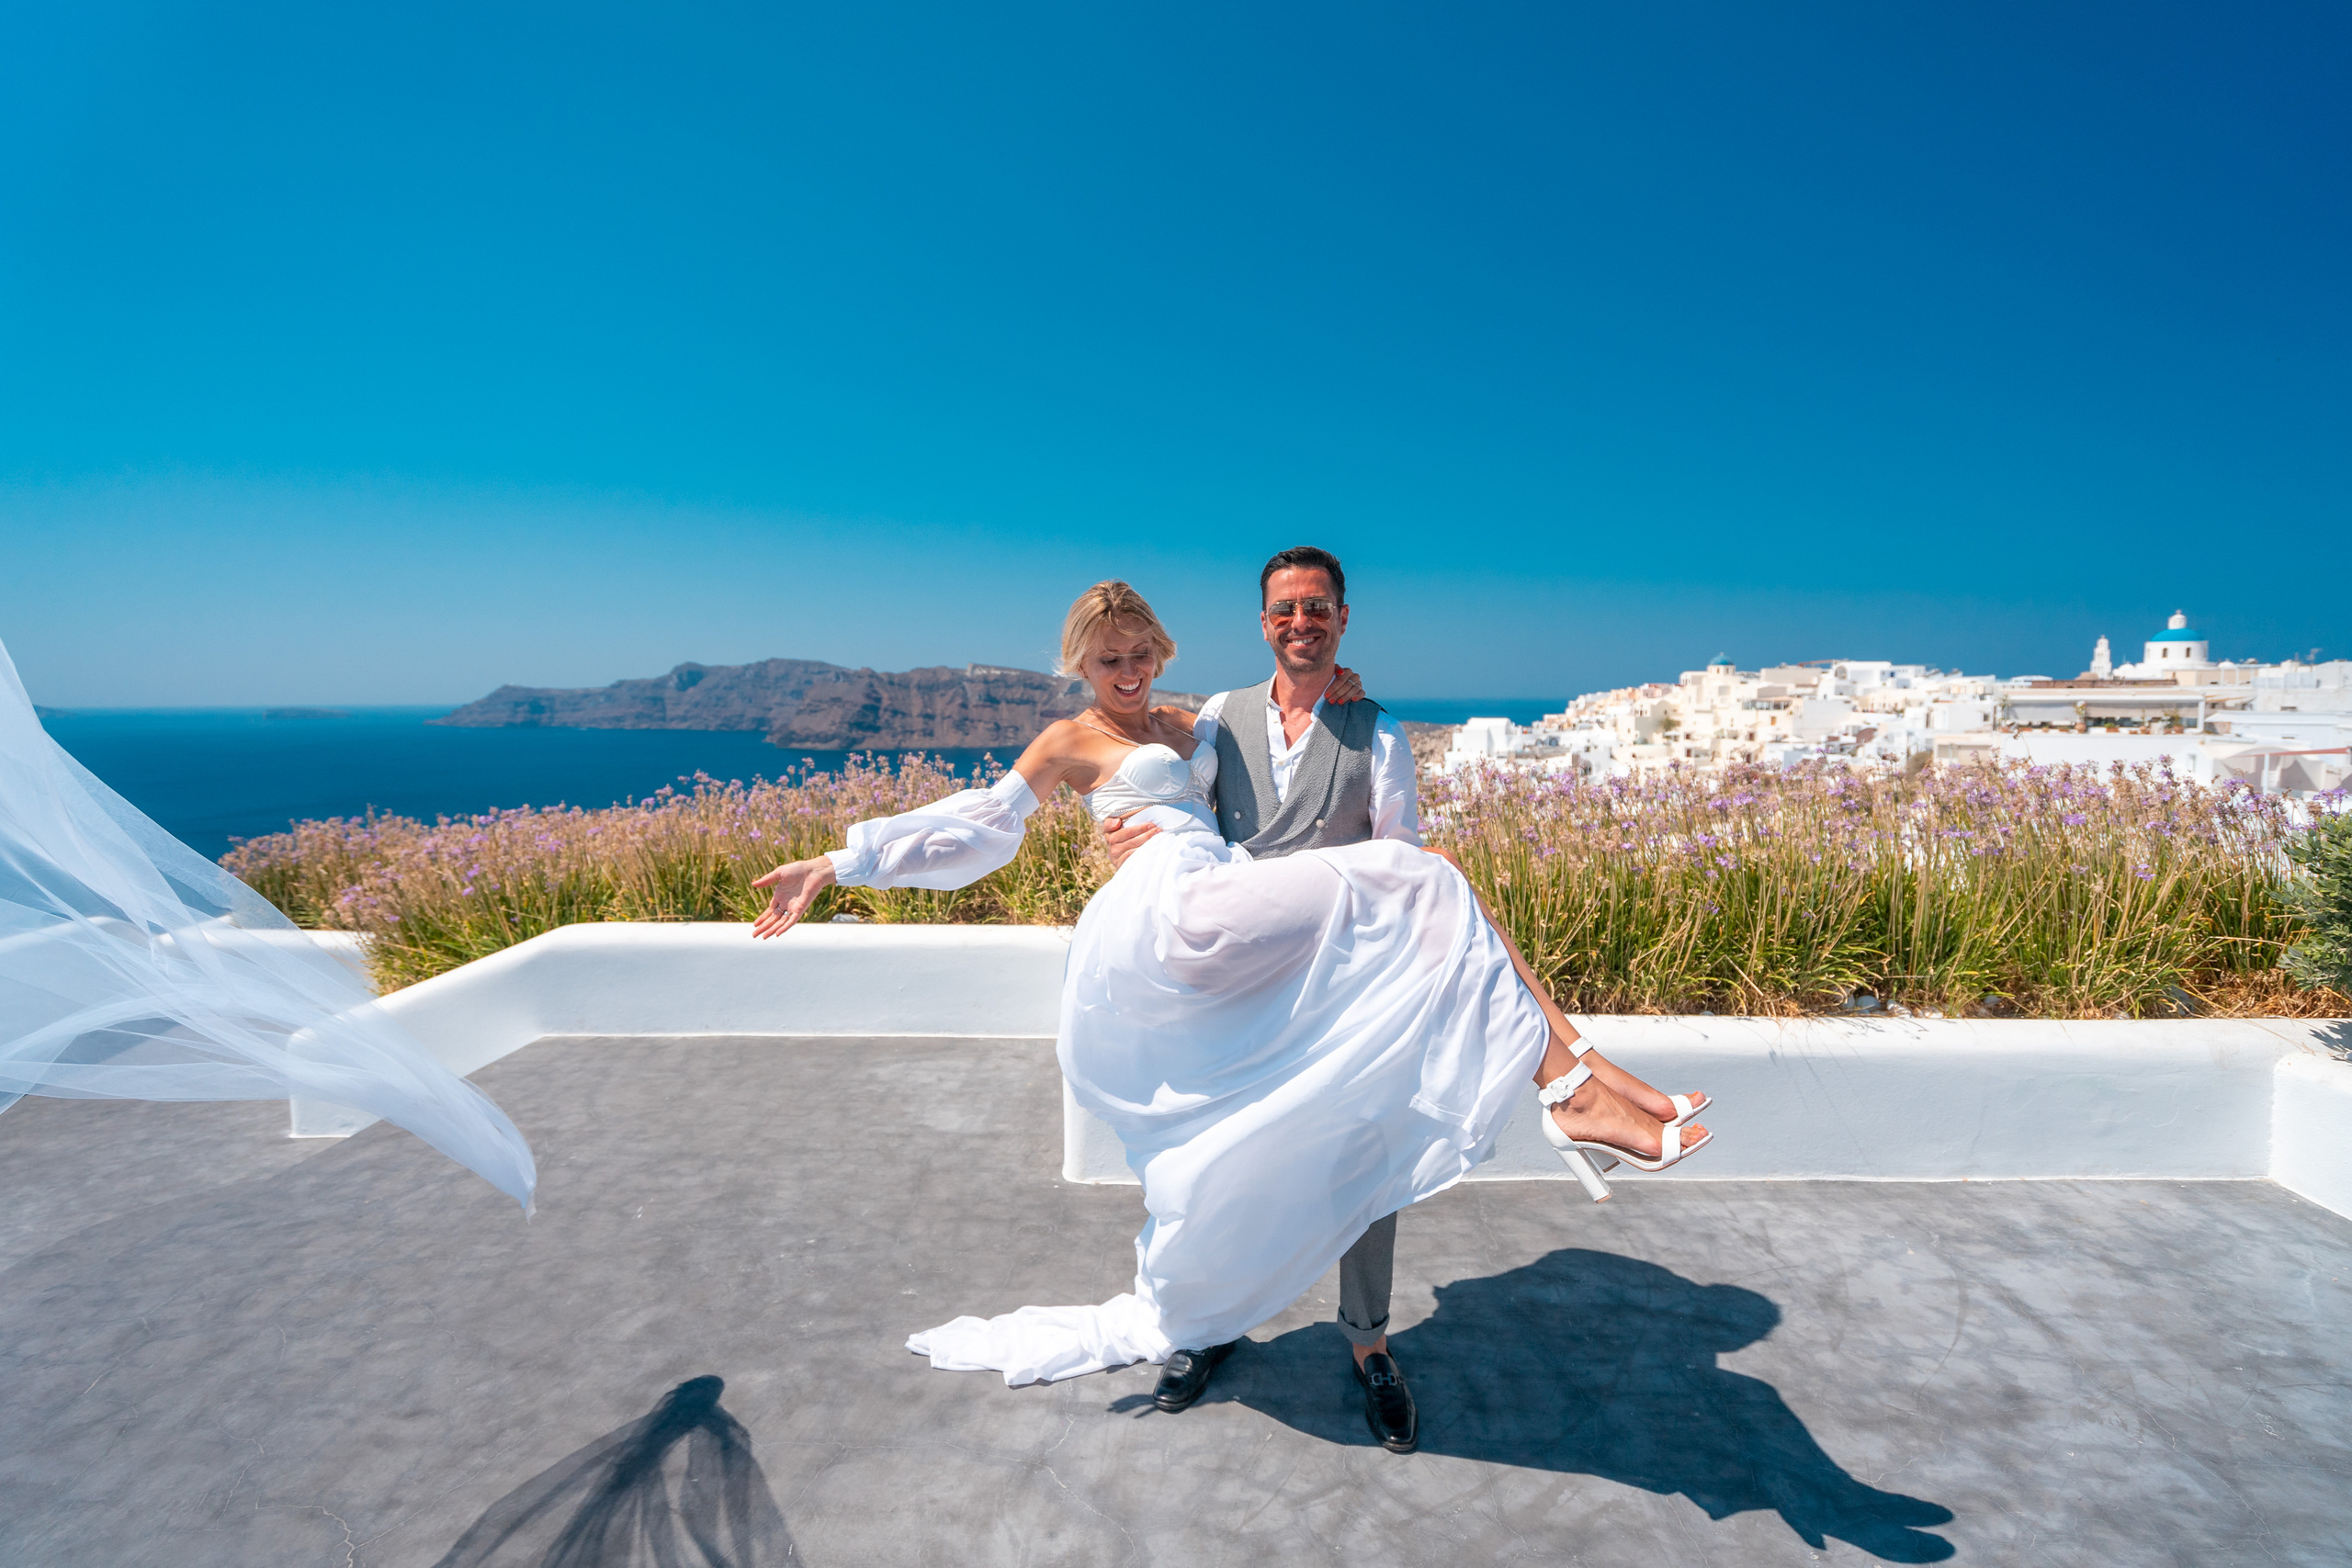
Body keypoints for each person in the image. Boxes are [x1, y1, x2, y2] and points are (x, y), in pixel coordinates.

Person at [747, 570, 1711, 1451]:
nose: (1123, 673)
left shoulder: (1193, 723)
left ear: (1158, 654)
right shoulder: (1070, 738)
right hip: (1176, 917)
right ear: (1079, 665)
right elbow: (982, 823)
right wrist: (839, 863)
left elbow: (1279, 720)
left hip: (1238, 917)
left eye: (1136, 655)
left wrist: (1339, 683)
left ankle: (1277, 1313)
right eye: (1104, 660)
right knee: (1427, 876)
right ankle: (1572, 1094)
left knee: (1228, 1137)